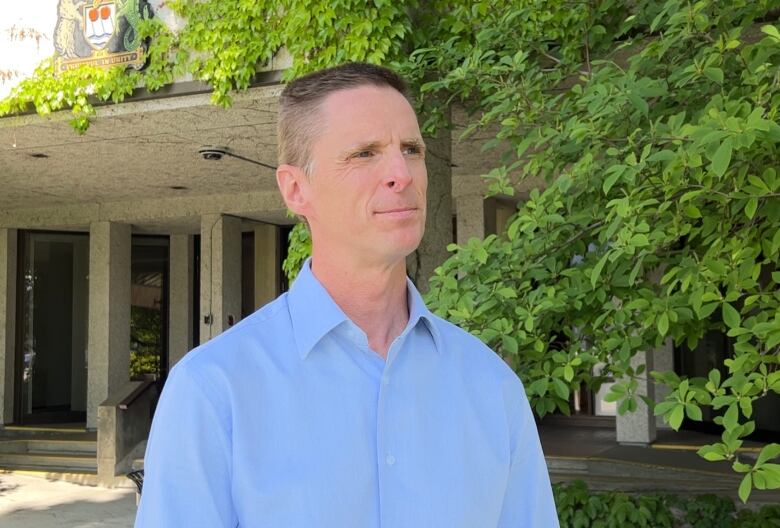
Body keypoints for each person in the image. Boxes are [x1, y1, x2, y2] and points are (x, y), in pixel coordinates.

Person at [135, 62, 559, 527]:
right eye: (364, 153)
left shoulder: (492, 387)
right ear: (296, 189)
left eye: (412, 149)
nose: (401, 172)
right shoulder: (214, 392)